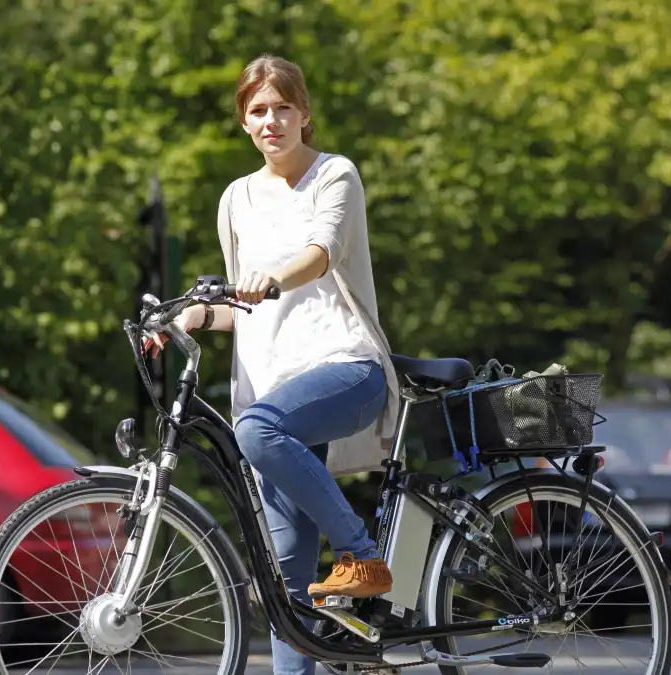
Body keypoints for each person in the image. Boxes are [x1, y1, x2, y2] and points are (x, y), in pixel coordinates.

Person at [153, 54, 402, 675]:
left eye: (283, 108)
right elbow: (245, 308)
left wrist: (272, 277)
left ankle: (361, 553)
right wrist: (192, 317)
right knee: (286, 580)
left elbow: (322, 253)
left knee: (255, 430)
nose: (272, 121)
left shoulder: (334, 175)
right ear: (244, 121)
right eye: (258, 110)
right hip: (273, 392)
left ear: (304, 114)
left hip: (347, 367)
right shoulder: (235, 199)